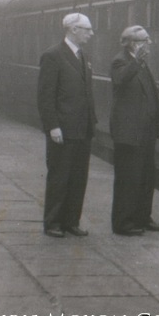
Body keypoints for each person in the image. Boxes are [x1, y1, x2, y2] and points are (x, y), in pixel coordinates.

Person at [37, 13, 97, 238]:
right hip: (62, 129)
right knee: (60, 176)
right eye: (87, 29)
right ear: (73, 29)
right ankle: (53, 222)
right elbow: (45, 96)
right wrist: (52, 126)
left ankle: (71, 221)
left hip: (83, 128)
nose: (91, 34)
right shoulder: (52, 55)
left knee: (79, 177)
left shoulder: (84, 56)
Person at [109, 25, 159, 236]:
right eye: (145, 40)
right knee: (128, 178)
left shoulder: (141, 63)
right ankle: (123, 223)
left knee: (145, 177)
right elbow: (121, 79)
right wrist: (137, 60)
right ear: (133, 43)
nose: (149, 44)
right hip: (129, 132)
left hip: (146, 131)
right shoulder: (120, 60)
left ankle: (143, 217)